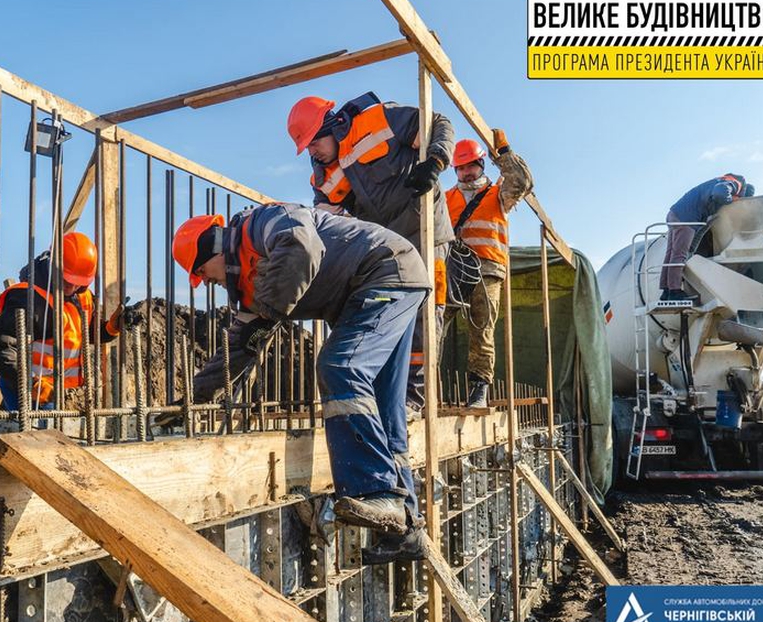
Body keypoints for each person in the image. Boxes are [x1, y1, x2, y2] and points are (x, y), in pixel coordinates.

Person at [157, 203, 431, 563]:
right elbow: (239, 349)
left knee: (340, 366)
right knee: (383, 407)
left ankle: (377, 489)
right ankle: (407, 530)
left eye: (202, 273)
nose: (207, 282)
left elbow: (302, 244)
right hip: (389, 281)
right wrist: (191, 399)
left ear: (210, 249)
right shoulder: (251, 287)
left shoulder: (262, 224)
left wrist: (271, 311)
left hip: (383, 270)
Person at [287, 92, 455, 415]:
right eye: (306, 146)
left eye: (313, 142)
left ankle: (415, 398)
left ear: (330, 127)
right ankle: (387, 392)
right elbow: (323, 221)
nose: (312, 151)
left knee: (426, 311)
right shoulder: (324, 174)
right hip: (389, 247)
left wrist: (435, 161)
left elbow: (438, 124)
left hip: (427, 231)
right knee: (386, 313)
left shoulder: (378, 120)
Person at [0, 232, 137, 410]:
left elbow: (83, 334)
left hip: (58, 391)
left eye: (77, 283)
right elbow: (4, 349)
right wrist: (29, 383)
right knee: (37, 436)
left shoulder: (82, 297)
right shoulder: (28, 298)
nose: (71, 288)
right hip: (28, 389)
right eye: (66, 280)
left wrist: (111, 327)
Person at [443, 132, 534, 408]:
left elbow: (523, 182)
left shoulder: (498, 193)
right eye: (460, 168)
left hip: (487, 270)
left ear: (481, 164)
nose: (466, 172)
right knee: (434, 324)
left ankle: (479, 390)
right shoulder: (446, 198)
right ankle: (421, 387)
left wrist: (504, 152)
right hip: (455, 270)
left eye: (470, 165)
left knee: (481, 329)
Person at [659, 174, 754, 303]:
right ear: (742, 193)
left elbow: (702, 228)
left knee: (671, 254)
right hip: (686, 218)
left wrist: (692, 249)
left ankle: (666, 291)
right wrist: (732, 200)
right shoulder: (734, 184)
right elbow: (720, 192)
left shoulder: (716, 184)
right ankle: (675, 291)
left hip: (675, 214)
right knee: (679, 255)